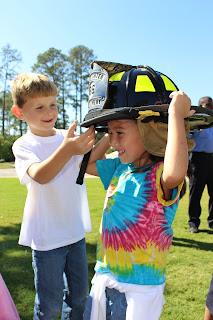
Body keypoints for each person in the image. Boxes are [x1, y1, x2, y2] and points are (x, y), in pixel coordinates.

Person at [79, 62, 197, 320]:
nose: (113, 141)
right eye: (110, 134)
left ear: (150, 131)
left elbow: (177, 170)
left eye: (120, 132)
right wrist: (106, 128)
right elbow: (87, 165)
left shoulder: (162, 176)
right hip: (104, 276)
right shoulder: (118, 169)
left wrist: (175, 116)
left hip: (139, 289)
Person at [11, 73, 96, 319]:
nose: (49, 112)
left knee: (80, 298)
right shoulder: (24, 145)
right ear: (19, 113)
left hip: (75, 233)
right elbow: (41, 175)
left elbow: (89, 165)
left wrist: (109, 131)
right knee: (49, 306)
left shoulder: (65, 138)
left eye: (53, 105)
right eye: (39, 107)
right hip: (46, 238)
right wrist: (67, 148)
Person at [188, 96, 213, 233]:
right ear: (201, 106)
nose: (211, 108)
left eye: (212, 105)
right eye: (208, 105)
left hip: (211, 159)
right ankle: (193, 223)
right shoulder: (195, 122)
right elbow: (186, 142)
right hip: (197, 160)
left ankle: (212, 222)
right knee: (196, 193)